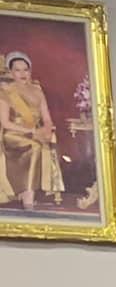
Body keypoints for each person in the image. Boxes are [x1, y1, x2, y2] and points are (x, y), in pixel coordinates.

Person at [0, 54, 64, 208]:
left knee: (42, 143)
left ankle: (27, 193)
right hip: (13, 134)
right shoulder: (5, 92)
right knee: (35, 147)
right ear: (11, 72)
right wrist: (31, 131)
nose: (22, 74)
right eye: (17, 70)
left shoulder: (37, 91)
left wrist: (47, 129)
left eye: (26, 70)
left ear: (30, 71)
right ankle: (28, 198)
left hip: (35, 133)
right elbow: (5, 123)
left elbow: (46, 117)